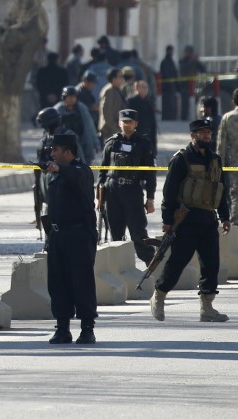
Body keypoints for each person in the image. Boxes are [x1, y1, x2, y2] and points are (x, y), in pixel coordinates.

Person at [150, 118, 231, 323]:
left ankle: (207, 307)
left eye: (208, 133)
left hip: (208, 219)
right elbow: (169, 192)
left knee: (211, 264)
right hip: (186, 219)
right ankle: (159, 295)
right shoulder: (182, 159)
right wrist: (167, 220)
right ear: (192, 135)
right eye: (202, 133)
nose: (206, 136)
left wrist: (225, 216)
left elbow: (221, 189)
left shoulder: (215, 160)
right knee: (178, 262)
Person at [43, 133, 97, 345]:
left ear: (68, 152)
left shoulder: (81, 170)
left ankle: (87, 328)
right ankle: (62, 327)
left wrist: (59, 169)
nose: (52, 153)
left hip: (79, 235)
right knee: (58, 283)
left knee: (81, 282)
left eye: (56, 150)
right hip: (57, 235)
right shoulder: (54, 174)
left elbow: (75, 176)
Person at [97, 109, 157, 265]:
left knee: (138, 233)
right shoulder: (111, 142)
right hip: (112, 191)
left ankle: (152, 266)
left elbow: (150, 173)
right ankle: (118, 268)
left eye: (130, 122)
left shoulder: (143, 144)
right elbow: (102, 171)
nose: (127, 125)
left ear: (136, 124)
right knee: (115, 234)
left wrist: (150, 198)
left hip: (133, 191)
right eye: (125, 122)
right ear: (119, 123)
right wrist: (99, 197)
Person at [53, 86, 98, 165]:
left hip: (82, 143)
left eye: (73, 97)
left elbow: (90, 127)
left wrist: (95, 143)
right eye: (69, 97)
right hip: (64, 145)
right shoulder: (57, 110)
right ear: (64, 97)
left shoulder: (82, 109)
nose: (71, 99)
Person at [216, 89, 238, 224]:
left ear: (233, 101)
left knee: (235, 194)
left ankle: (236, 224)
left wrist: (219, 167)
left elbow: (221, 144)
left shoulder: (228, 118)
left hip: (234, 164)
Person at [127, 80, 158, 155]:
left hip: (148, 134)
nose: (145, 89)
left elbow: (152, 121)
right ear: (136, 88)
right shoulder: (131, 101)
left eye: (146, 87)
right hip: (136, 133)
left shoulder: (149, 101)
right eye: (143, 87)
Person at [98, 67, 127, 142]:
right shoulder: (109, 91)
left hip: (117, 127)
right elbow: (107, 111)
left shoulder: (117, 89)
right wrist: (114, 128)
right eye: (120, 77)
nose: (122, 79)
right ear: (113, 79)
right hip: (110, 130)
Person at [178, 45, 206, 121]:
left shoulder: (195, 62)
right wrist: (191, 61)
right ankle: (183, 118)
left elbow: (203, 69)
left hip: (194, 85)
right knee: (185, 103)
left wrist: (197, 60)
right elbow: (183, 67)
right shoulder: (182, 61)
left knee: (196, 101)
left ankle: (195, 116)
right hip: (184, 84)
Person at [159, 45, 179, 120]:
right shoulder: (165, 62)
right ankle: (168, 117)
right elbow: (167, 74)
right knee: (168, 104)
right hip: (167, 88)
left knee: (172, 104)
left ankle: (171, 117)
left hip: (171, 87)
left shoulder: (171, 61)